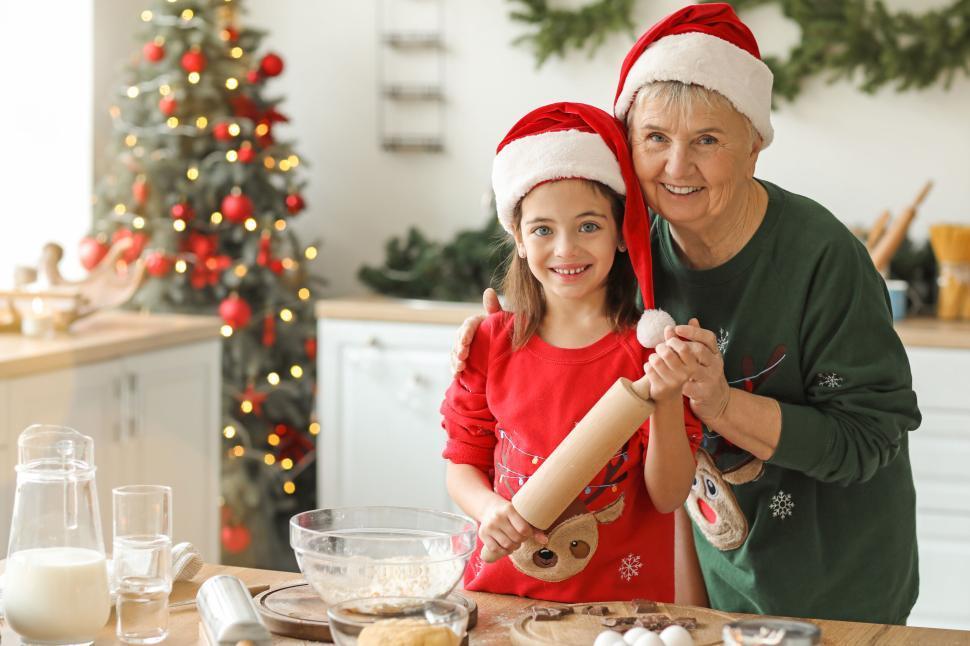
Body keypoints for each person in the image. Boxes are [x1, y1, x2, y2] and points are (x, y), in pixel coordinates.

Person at [452, 3, 921, 625]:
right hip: (710, 585)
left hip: (834, 586)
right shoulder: (633, 245)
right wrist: (505, 325)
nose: (676, 167)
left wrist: (721, 404)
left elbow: (871, 437)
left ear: (754, 144)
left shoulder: (824, 258)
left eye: (706, 140)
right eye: (655, 139)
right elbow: (560, 282)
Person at [440, 102, 702, 603]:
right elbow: (462, 463)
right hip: (501, 599)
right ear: (517, 238)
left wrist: (667, 397)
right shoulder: (491, 344)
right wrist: (489, 508)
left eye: (588, 226)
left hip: (618, 613)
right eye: (543, 230)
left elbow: (668, 496)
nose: (566, 249)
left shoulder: (652, 354)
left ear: (621, 233)